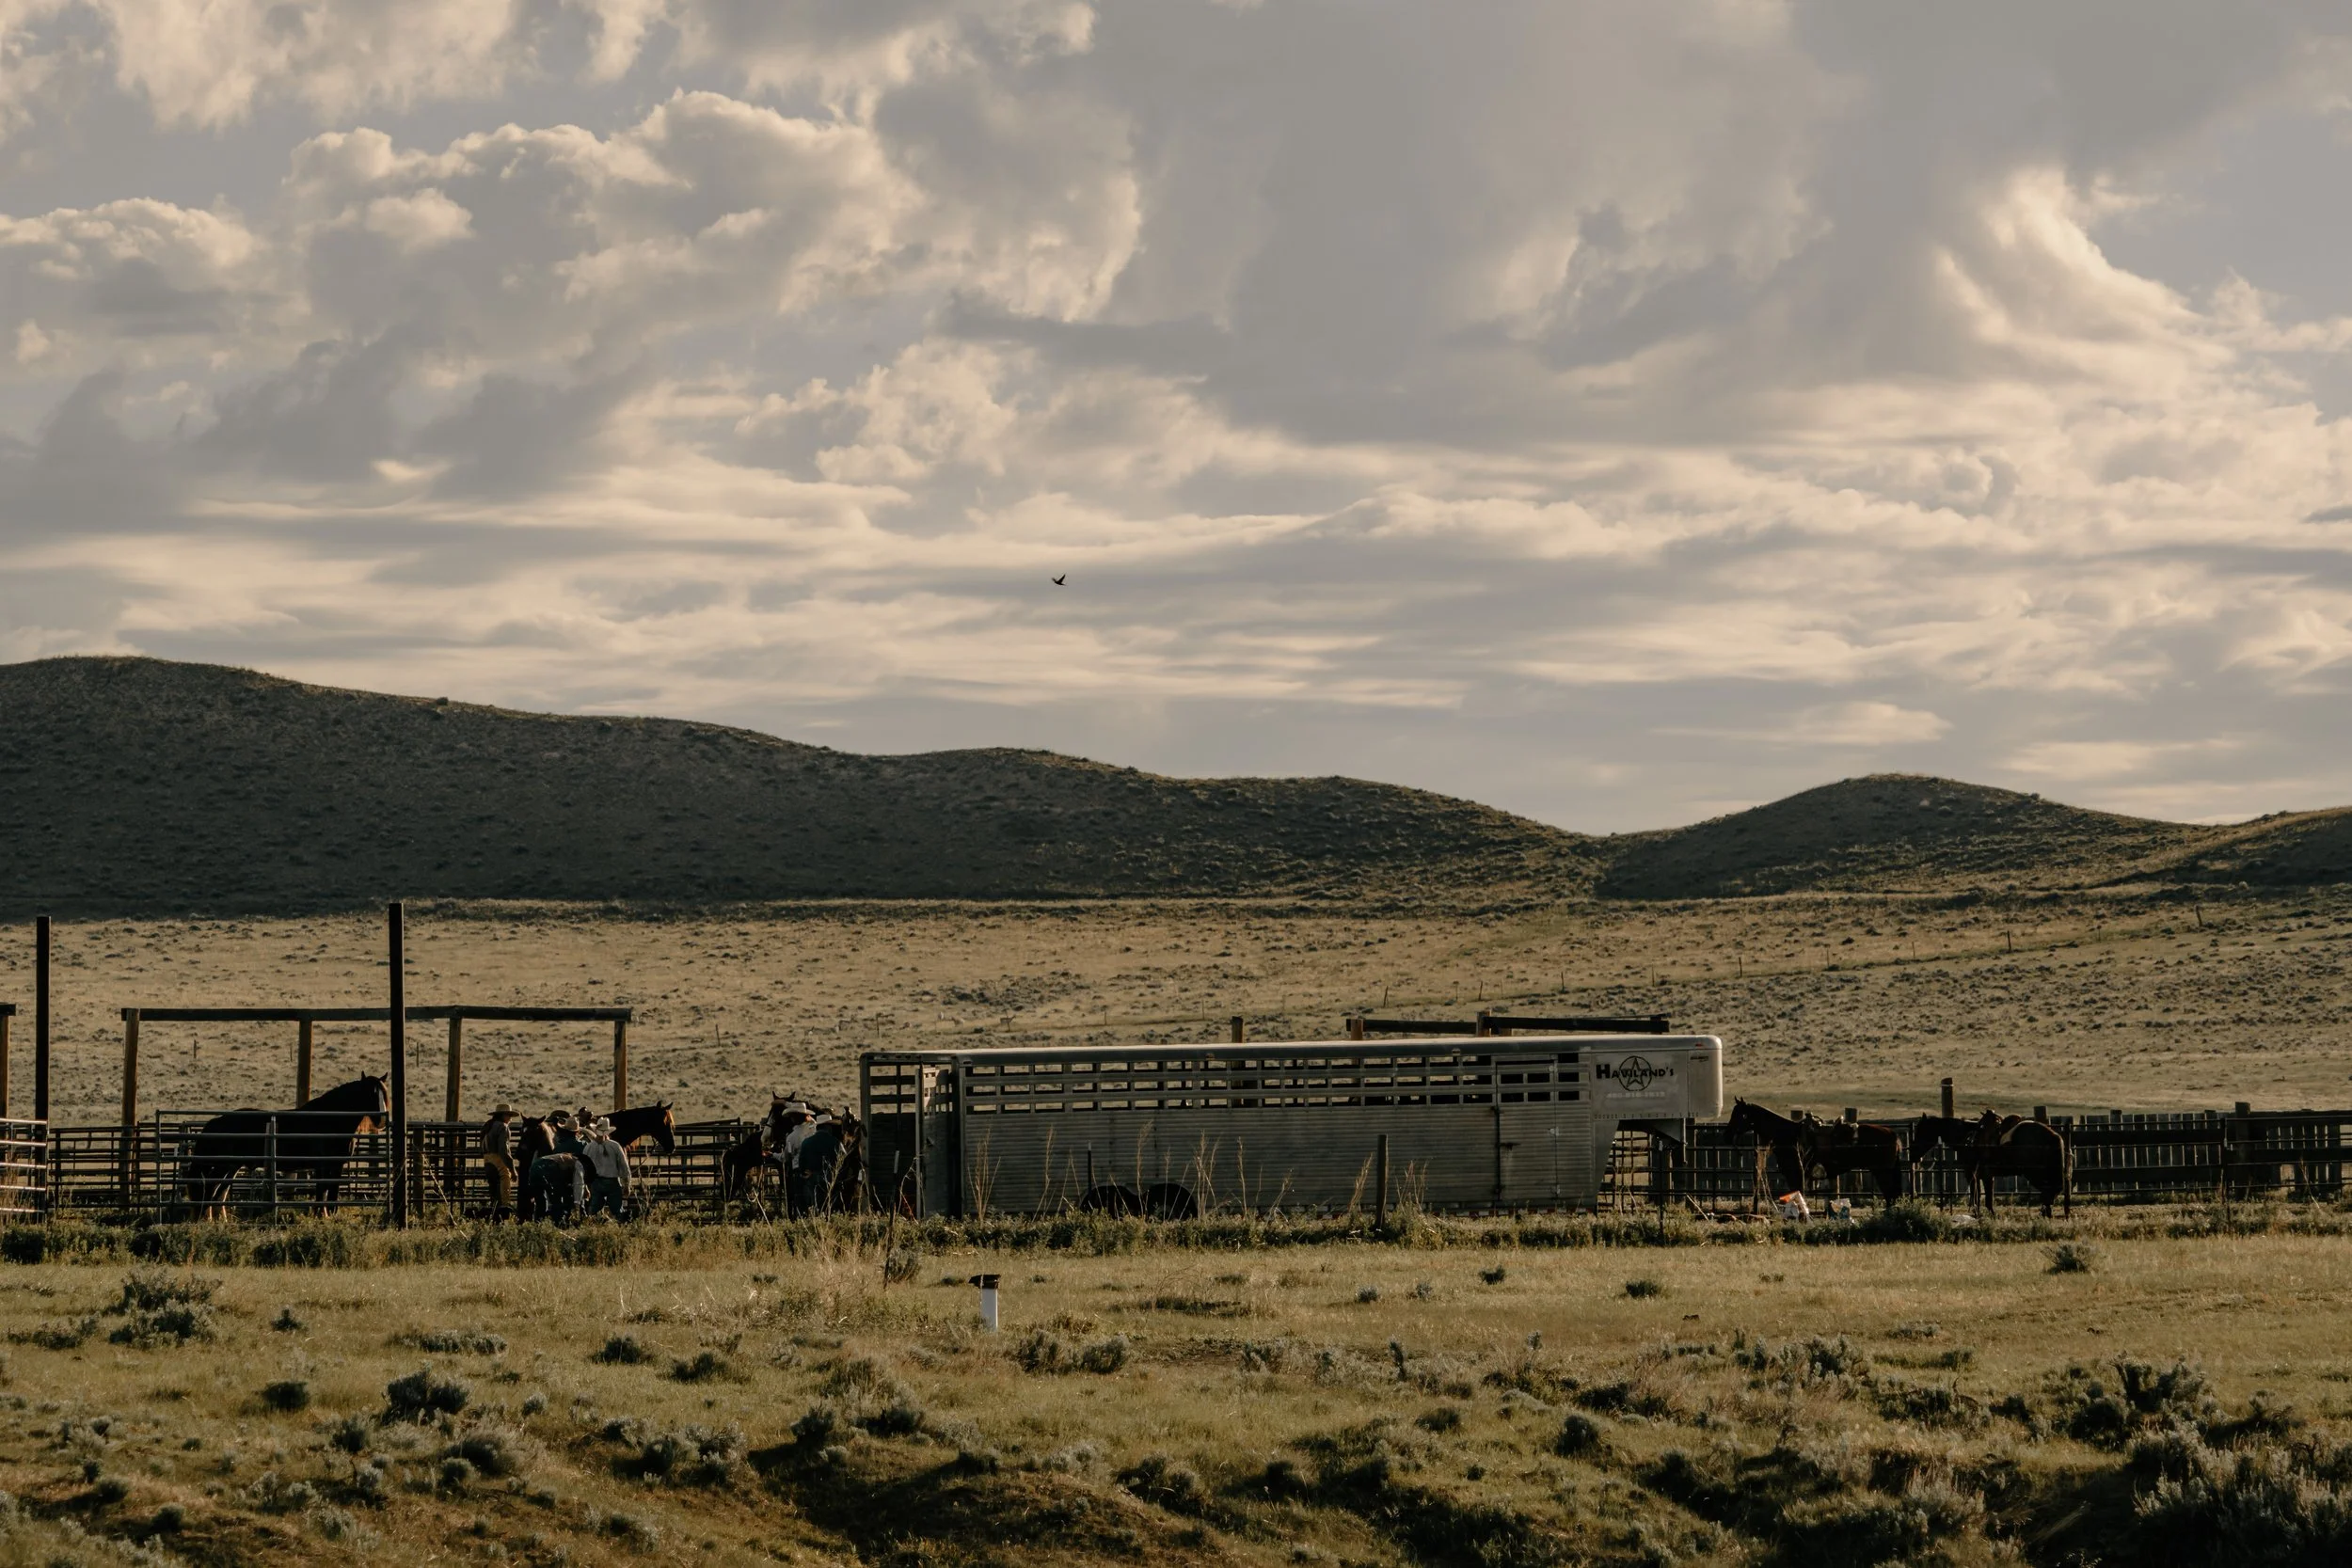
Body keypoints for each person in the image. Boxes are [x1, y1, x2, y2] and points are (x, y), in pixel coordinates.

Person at [582, 1117, 631, 1221]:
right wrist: (626, 1184)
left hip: (596, 1182)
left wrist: (585, 1185)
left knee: (594, 1209)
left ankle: (591, 1227)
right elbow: (624, 1166)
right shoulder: (615, 1146)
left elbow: (584, 1168)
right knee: (617, 1209)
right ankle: (620, 1228)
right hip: (612, 1182)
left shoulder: (589, 1148)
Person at [482, 1104, 518, 1221]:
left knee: (493, 1188)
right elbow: (504, 1151)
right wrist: (512, 1169)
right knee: (505, 1182)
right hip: (498, 1159)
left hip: (487, 1160)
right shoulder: (503, 1127)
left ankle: (493, 1215)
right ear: (503, 1115)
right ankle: (504, 1211)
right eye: (509, 1115)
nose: (510, 1118)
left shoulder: (488, 1125)